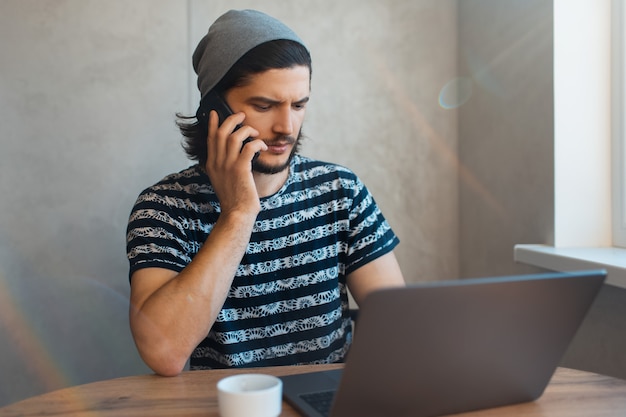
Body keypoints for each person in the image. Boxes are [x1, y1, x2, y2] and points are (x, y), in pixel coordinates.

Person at [126, 9, 405, 377]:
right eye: (264, 105)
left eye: (299, 105)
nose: (286, 127)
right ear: (214, 109)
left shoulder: (341, 191)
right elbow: (163, 353)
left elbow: (401, 323)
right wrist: (239, 214)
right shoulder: (164, 209)